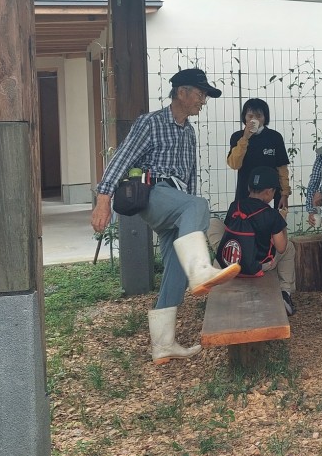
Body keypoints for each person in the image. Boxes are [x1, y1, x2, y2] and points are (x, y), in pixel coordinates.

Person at [90, 68, 240, 365]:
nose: (203, 101)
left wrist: (189, 208)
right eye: (200, 94)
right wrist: (103, 198)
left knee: (175, 264)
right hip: (153, 193)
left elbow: (191, 178)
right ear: (181, 93)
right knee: (198, 205)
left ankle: (163, 344)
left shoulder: (189, 132)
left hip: (177, 202)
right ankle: (200, 271)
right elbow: (122, 157)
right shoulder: (151, 123)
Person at [219, 166, 297, 316]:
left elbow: (230, 228)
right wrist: (282, 223)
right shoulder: (271, 214)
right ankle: (286, 292)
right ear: (269, 192)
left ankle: (222, 255)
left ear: (249, 187)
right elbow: (281, 247)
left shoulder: (235, 206)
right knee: (289, 248)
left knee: (215, 223)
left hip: (232, 261)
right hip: (258, 265)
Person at [226, 98, 290, 213]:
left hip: (272, 191)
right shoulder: (237, 137)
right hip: (246, 191)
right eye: (250, 116)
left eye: (258, 116)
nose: (254, 120)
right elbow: (234, 164)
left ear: (265, 118)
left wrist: (284, 194)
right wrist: (245, 138)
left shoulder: (275, 137)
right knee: (246, 224)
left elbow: (282, 167)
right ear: (244, 117)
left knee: (276, 223)